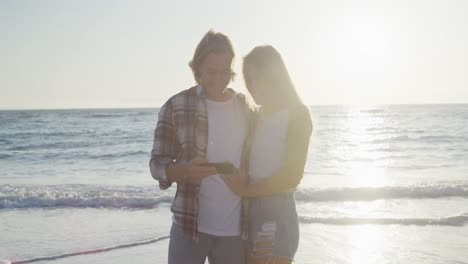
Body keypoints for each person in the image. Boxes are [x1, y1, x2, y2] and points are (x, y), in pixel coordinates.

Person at [149, 30, 253, 264]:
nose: (219, 79)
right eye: (211, 72)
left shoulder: (246, 108)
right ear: (197, 69)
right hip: (189, 226)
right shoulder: (176, 105)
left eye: (225, 71)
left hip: (235, 232)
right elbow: (156, 164)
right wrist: (184, 170)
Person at [223, 45, 313, 264]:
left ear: (274, 76)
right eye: (248, 80)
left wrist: (246, 190)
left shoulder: (297, 115)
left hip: (277, 210)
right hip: (250, 211)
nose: (252, 87)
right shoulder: (255, 116)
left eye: (257, 78)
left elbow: (292, 176)